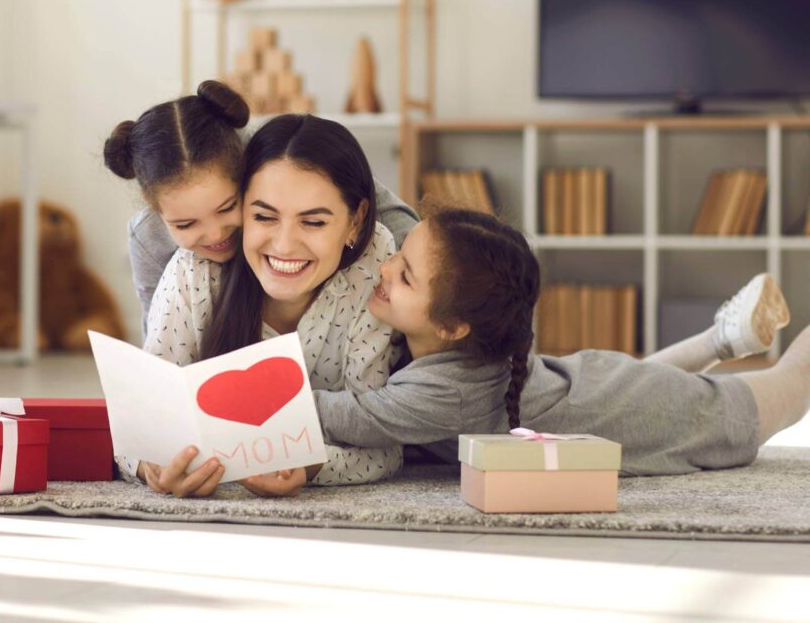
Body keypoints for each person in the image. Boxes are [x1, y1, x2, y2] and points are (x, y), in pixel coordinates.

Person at [292, 204, 804, 491]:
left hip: (649, 411)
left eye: (403, 275)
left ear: (451, 327)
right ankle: (726, 337)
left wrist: (237, 395)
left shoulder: (447, 393)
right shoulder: (450, 293)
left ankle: (729, 339)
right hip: (598, 383)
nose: (384, 267)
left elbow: (344, 415)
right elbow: (382, 202)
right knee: (652, 381)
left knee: (791, 383)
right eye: (397, 257)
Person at [131, 114, 404, 497]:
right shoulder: (196, 267)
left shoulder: (375, 263)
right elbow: (137, 422)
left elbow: (381, 446)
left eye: (313, 222)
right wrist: (151, 467)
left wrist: (310, 466)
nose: (284, 245)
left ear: (356, 221)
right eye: (263, 217)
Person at [106, 82, 418, 343]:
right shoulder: (151, 238)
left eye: (228, 207)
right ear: (154, 206)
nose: (216, 234)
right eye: (186, 223)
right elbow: (159, 336)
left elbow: (371, 202)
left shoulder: (273, 158)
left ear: (243, 172)